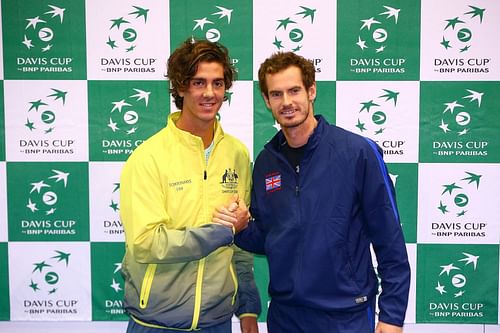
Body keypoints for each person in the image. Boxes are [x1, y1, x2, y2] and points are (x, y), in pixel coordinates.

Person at [213, 51, 410, 333]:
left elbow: (390, 239)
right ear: (267, 101)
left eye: (294, 91)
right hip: (286, 316)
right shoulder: (266, 162)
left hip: (346, 315)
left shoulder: (358, 153)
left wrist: (392, 316)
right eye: (277, 94)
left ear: (312, 91)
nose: (287, 102)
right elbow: (271, 237)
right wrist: (239, 228)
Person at [119, 38, 261, 333]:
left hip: (218, 322)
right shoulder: (148, 157)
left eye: (218, 83)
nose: (210, 93)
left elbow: (241, 242)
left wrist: (248, 309)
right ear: (180, 87)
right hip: (157, 323)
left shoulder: (237, 153)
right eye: (198, 82)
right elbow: (146, 244)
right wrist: (221, 232)